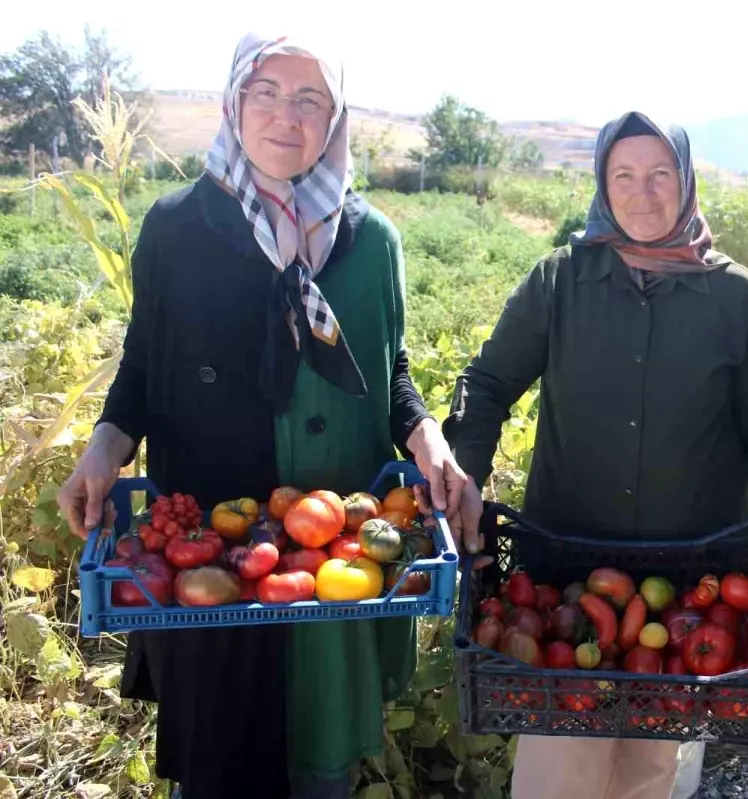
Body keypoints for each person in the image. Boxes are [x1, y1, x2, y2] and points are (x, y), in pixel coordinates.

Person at [55, 32, 471, 799]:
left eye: (311, 98)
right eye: (269, 92)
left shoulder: (369, 240)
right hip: (210, 541)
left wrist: (429, 437)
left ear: (336, 117)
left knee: (319, 763)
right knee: (218, 757)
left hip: (329, 543)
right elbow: (143, 366)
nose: (288, 116)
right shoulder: (178, 229)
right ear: (234, 102)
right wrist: (103, 448)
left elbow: (391, 371)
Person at [443, 111, 748, 799]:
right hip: (566, 580)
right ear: (603, 186)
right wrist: (467, 464)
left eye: (660, 173)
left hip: (694, 589)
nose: (644, 193)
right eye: (625, 175)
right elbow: (487, 384)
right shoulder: (560, 281)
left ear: (687, 180)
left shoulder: (734, 295)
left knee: (654, 770)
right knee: (559, 770)